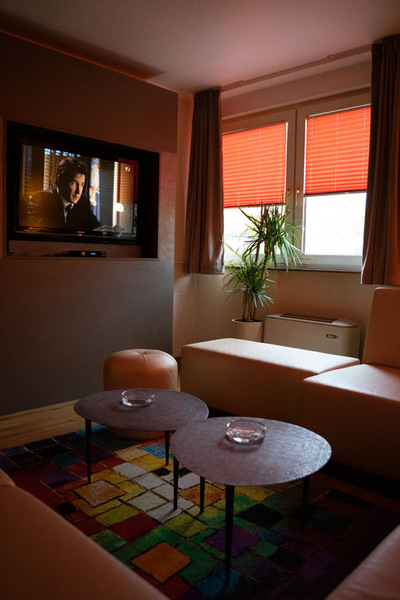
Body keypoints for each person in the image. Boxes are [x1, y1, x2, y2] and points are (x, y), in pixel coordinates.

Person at [28, 157, 101, 230]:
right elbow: (40, 233)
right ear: (60, 179)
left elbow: (97, 228)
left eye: (82, 184)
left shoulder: (83, 202)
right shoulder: (42, 199)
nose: (79, 191)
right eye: (74, 183)